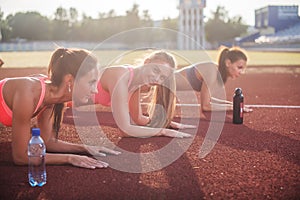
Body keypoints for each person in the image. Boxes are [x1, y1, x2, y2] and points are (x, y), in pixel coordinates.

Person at [0, 47, 120, 169]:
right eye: (91, 82)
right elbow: (21, 156)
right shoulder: (29, 92)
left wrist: (84, 148)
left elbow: (47, 141)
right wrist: (69, 158)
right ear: (69, 80)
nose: (95, 90)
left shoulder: (54, 99)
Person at [88, 50, 192, 137]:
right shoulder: (121, 75)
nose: (156, 79)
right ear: (146, 62)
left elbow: (138, 119)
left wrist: (164, 124)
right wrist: (162, 131)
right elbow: (125, 130)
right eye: (155, 70)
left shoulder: (135, 85)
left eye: (162, 78)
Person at [175, 46, 253, 118]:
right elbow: (205, 106)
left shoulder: (217, 73)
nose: (241, 72)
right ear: (228, 63)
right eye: (239, 67)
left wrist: (234, 105)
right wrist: (233, 107)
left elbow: (210, 100)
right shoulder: (212, 72)